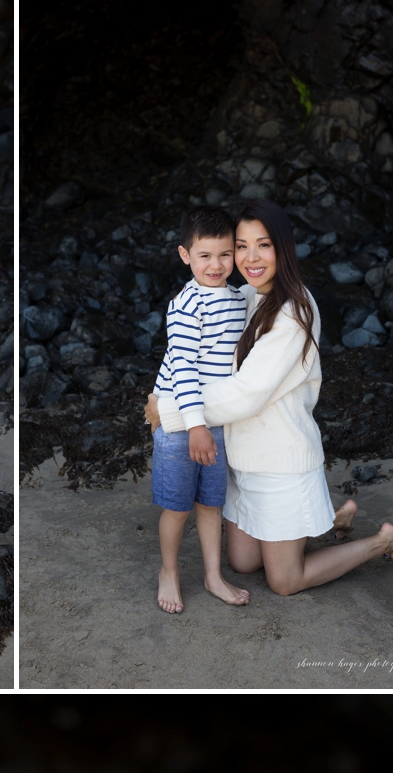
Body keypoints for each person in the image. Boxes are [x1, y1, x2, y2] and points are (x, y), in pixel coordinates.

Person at [146, 200, 393, 596]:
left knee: (284, 581)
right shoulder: (248, 295)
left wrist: (169, 411)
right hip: (243, 461)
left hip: (282, 464)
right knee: (243, 563)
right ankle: (332, 519)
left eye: (263, 245)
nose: (251, 257)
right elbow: (194, 353)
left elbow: (247, 393)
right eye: (242, 246)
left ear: (283, 248)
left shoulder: (293, 313)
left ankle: (380, 541)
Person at [149, 207, 250, 613]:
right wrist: (195, 427)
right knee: (177, 506)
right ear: (184, 255)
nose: (216, 265)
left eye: (225, 255)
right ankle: (169, 571)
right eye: (205, 255)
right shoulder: (187, 306)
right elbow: (183, 369)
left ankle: (212, 575)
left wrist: (209, 425)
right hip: (181, 422)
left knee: (211, 503)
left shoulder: (236, 298)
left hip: (216, 421)